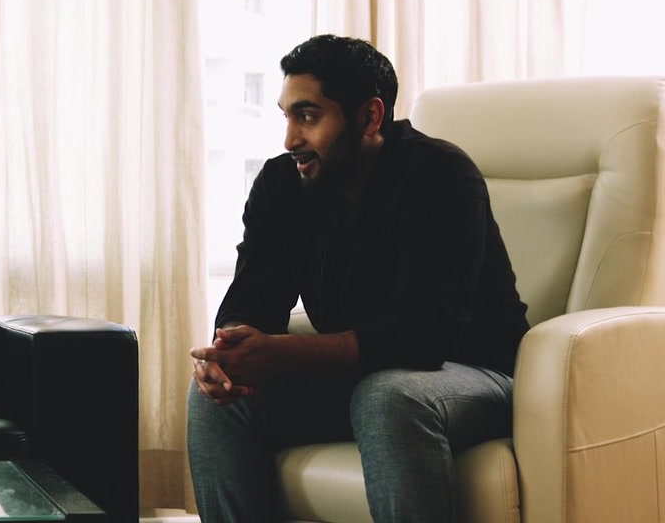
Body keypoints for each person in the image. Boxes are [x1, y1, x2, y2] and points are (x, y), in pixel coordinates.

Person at [187, 35, 529, 522]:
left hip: (478, 376)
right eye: (287, 116)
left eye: (308, 116)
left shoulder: (441, 174)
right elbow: (253, 297)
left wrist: (282, 353)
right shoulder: (283, 184)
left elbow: (426, 336)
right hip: (364, 380)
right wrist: (230, 353)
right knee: (216, 400)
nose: (290, 139)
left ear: (370, 117)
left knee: (388, 396)